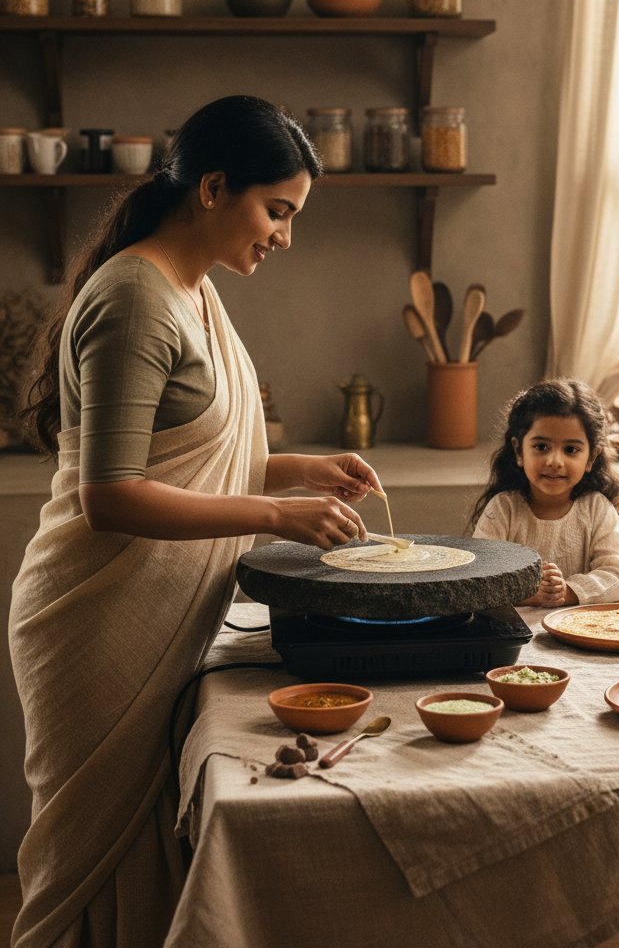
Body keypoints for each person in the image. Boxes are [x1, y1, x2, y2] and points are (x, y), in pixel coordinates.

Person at [10, 95, 384, 948]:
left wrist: (296, 469)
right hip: (95, 620)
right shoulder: (138, 297)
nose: (285, 235)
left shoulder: (192, 288)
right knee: (86, 868)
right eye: (277, 210)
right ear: (213, 187)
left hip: (151, 620)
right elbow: (112, 495)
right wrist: (276, 513)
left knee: (150, 860)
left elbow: (186, 456)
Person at [470, 378, 619, 606]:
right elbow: (477, 578)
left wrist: (568, 591)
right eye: (541, 447)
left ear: (591, 458)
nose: (554, 461)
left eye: (570, 449)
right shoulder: (503, 509)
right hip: (515, 634)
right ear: (519, 450)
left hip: (581, 633)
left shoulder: (596, 509)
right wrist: (527, 593)